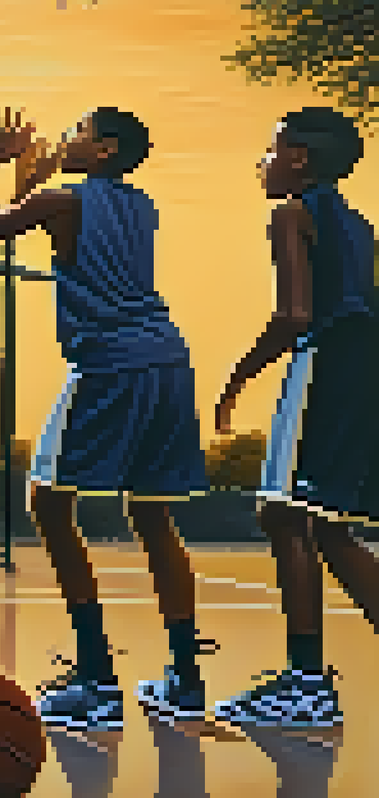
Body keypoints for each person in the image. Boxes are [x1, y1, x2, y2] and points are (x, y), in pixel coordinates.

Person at [0, 107, 214, 733]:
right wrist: (43, 176)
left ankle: (96, 680)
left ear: (103, 148)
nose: (63, 139)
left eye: (76, 132)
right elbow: (51, 216)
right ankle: (185, 680)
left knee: (49, 504)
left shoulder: (64, 200)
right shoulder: (142, 205)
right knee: (152, 513)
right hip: (168, 359)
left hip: (110, 365)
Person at [212, 106, 379, 732]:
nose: (264, 162)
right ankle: (305, 680)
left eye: (272, 149)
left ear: (299, 159)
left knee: (282, 512)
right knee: (327, 526)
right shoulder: (359, 225)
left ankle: (306, 684)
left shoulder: (290, 213)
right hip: (364, 369)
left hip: (326, 362)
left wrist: (237, 376)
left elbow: (295, 315)